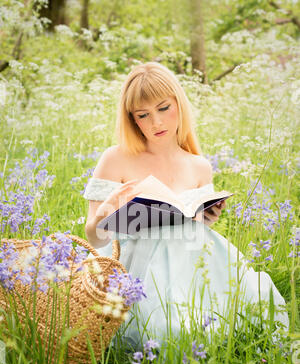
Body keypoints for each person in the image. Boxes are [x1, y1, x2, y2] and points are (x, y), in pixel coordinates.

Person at [83, 62, 288, 349]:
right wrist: (105, 213)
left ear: (179, 104)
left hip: (194, 265)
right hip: (139, 270)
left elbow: (191, 231)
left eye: (164, 108)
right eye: (144, 115)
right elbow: (94, 239)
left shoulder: (198, 165)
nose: (156, 122)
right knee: (165, 328)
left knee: (248, 308)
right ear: (133, 119)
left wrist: (207, 219)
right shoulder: (116, 158)